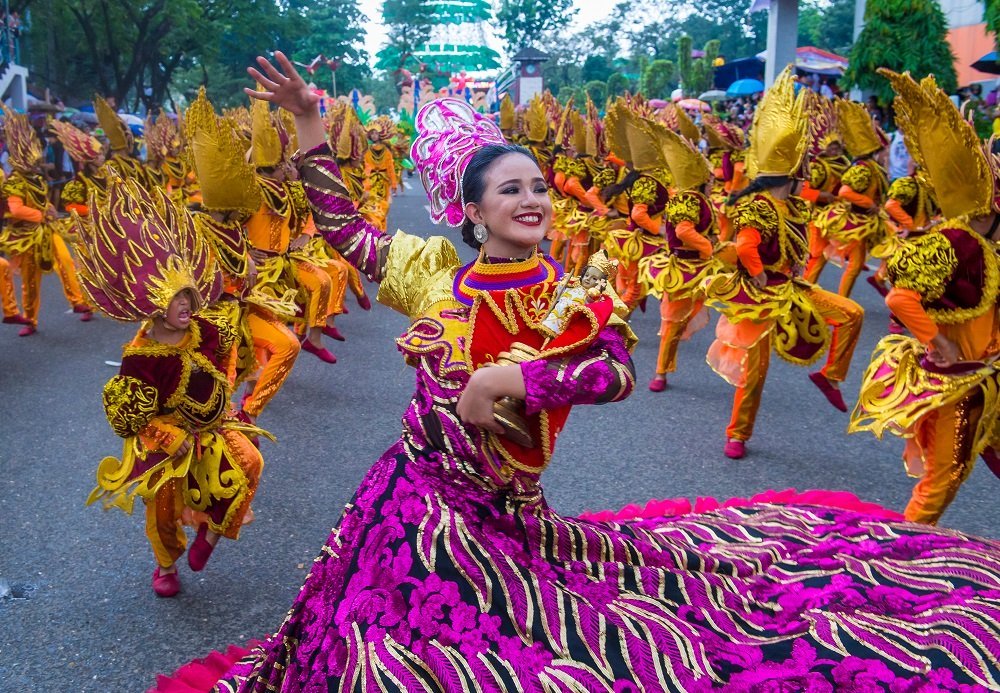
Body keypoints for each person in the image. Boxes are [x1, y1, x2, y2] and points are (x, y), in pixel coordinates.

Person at [155, 54, 1000, 692]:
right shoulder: (427, 274)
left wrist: (516, 382)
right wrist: (309, 122)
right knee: (372, 646)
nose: (533, 200)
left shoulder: (571, 288)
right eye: (510, 189)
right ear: (472, 209)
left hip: (509, 513)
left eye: (539, 188)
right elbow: (339, 224)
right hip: (410, 500)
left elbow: (612, 375)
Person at [79, 173, 264, 597]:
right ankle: (165, 565)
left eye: (188, 296)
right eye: (175, 300)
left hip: (211, 428)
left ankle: (212, 535)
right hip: (168, 439)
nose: (185, 305)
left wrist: (224, 397)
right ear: (155, 309)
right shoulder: (139, 358)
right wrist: (168, 435)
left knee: (251, 463)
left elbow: (228, 354)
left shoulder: (207, 329)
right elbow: (131, 419)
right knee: (162, 507)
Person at [851, 70, 1000, 526]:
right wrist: (940, 341)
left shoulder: (980, 245)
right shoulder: (954, 244)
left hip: (984, 373)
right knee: (943, 478)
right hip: (957, 379)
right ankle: (898, 560)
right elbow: (899, 300)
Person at [704, 70, 865, 460]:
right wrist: (758, 275)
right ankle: (737, 434)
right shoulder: (759, 205)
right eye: (802, 175)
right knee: (754, 373)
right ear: (789, 177)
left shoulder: (792, 205)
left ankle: (830, 376)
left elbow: (802, 225)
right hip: (761, 296)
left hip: (791, 290)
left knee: (851, 313)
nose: (806, 179)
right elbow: (745, 246)